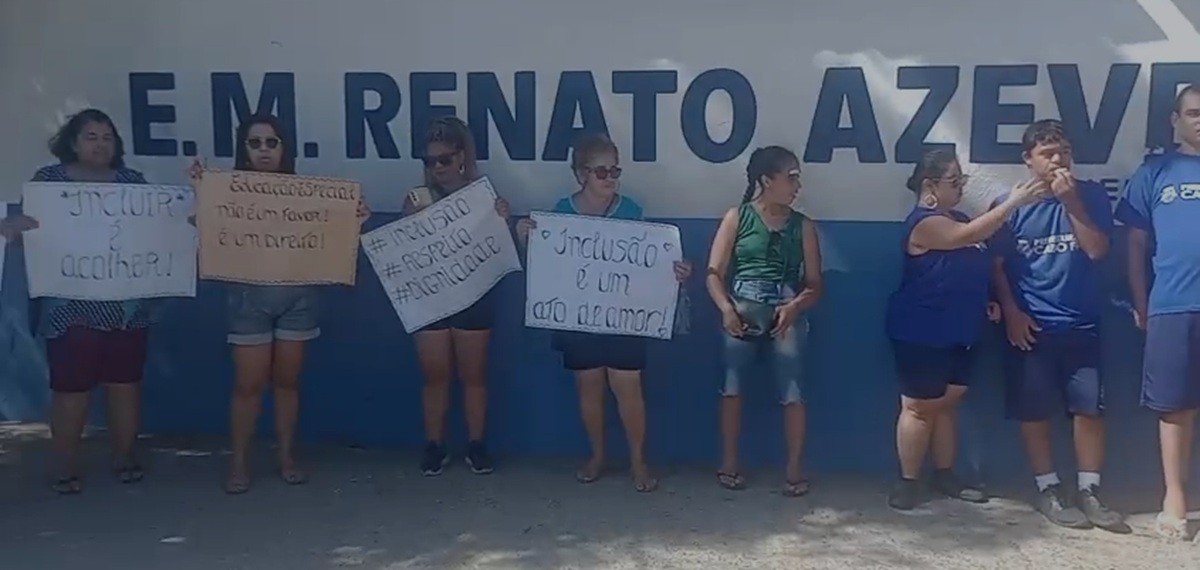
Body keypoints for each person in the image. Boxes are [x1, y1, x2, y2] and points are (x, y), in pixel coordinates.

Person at [189, 113, 369, 494]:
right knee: (247, 385)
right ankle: (238, 462)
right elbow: (202, 226)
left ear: (284, 148)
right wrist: (200, 194)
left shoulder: (307, 194)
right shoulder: (226, 192)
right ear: (244, 148)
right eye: (255, 143)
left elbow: (334, 234)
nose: (264, 151)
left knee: (288, 383)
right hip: (246, 300)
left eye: (272, 143)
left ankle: (286, 456)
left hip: (299, 299)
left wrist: (354, 219)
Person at [515, 133, 692, 492]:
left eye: (615, 170)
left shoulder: (633, 210)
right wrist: (524, 234)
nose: (610, 178)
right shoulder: (560, 212)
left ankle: (638, 461)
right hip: (579, 320)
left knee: (628, 388)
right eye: (601, 171)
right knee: (589, 387)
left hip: (625, 319)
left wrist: (679, 270)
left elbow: (654, 262)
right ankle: (597, 455)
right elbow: (543, 256)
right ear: (581, 174)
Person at [0, 109, 158, 494]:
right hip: (70, 308)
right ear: (72, 141)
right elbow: (25, 232)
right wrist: (12, 229)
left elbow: (157, 230)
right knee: (70, 390)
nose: (100, 144)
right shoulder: (48, 183)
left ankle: (124, 456)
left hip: (126, 307)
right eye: (91, 136)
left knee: (126, 384)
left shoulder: (133, 183)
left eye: (107, 137)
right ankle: (64, 465)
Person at [884, 148, 1045, 511]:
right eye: (954, 182)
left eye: (962, 181)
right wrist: (1014, 202)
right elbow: (966, 234)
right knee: (920, 406)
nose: (960, 189)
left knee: (947, 404)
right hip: (923, 329)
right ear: (930, 186)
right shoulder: (925, 222)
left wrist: (986, 298)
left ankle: (944, 474)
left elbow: (974, 258)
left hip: (962, 328)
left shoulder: (956, 216)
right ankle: (908, 480)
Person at [989, 119, 1125, 531]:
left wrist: (1072, 204)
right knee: (1034, 412)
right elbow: (995, 266)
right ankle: (1048, 488)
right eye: (1047, 153)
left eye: (1063, 151)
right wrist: (1011, 312)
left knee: (1088, 411)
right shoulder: (1011, 204)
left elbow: (1098, 250)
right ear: (1028, 160)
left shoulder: (1092, 196)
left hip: (1080, 323)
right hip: (1032, 326)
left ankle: (1089, 491)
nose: (1057, 159)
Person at [703, 145, 823, 497]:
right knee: (732, 385)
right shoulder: (737, 218)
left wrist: (795, 307)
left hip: (785, 312)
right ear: (766, 181)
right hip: (741, 309)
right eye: (791, 177)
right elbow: (713, 272)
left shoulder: (803, 227)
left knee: (793, 390)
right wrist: (726, 308)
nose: (797, 186)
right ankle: (728, 461)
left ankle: (794, 468)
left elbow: (816, 284)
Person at [1116, 83, 1200, 542]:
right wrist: (1141, 299)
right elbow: (1134, 243)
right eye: (1193, 113)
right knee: (1174, 408)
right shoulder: (1154, 171)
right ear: (1176, 120)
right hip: (1173, 305)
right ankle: (1175, 499)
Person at [404, 116, 509, 476]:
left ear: (462, 156)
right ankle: (434, 444)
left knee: (473, 375)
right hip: (430, 298)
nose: (437, 168)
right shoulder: (416, 198)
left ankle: (476, 444)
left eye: (444, 159)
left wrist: (501, 219)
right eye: (429, 161)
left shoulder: (483, 195)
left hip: (473, 294)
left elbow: (497, 245)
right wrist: (411, 219)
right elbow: (406, 250)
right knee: (434, 375)